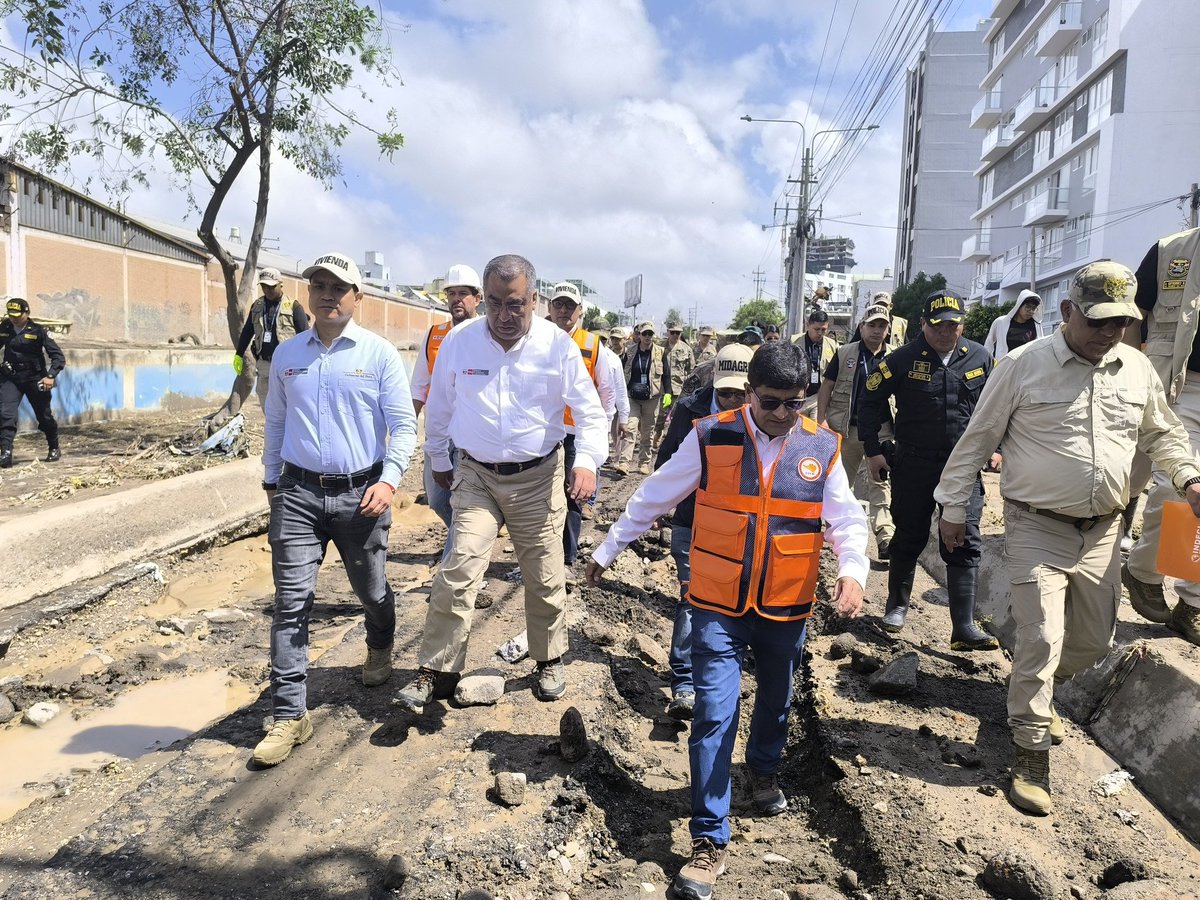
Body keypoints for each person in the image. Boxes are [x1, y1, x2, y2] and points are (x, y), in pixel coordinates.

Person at [585, 341, 867, 900]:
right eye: (772, 403)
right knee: (715, 711)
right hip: (716, 603)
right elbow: (656, 493)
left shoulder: (821, 446)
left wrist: (853, 570)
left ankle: (763, 771)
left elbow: (846, 518)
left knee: (776, 700)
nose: (785, 415)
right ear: (749, 395)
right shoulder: (712, 434)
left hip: (785, 603)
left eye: (796, 403)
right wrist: (607, 550)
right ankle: (709, 837)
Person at [933, 261, 1200, 815]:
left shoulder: (1135, 368)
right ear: (1067, 312)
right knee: (1044, 638)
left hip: (1105, 531)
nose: (1109, 334)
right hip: (1035, 525)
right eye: (1098, 322)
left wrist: (1189, 477)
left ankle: (1037, 687)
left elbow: (1163, 433)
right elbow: (977, 438)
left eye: (1121, 323)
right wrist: (953, 507)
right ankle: (1030, 751)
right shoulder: (1023, 365)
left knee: (1093, 644)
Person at [396, 255, 607, 710]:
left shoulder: (557, 346)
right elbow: (442, 406)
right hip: (476, 475)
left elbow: (591, 414)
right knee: (459, 567)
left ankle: (548, 658)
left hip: (538, 477)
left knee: (544, 573)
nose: (504, 317)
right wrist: (436, 457)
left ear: (535, 300)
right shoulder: (460, 341)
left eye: (515, 306)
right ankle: (437, 669)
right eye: (493, 305)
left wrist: (586, 461)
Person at [254, 251, 417, 767]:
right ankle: (288, 716)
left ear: (357, 297)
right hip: (298, 494)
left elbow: (405, 427)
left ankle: (379, 641)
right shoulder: (287, 355)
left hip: (360, 496)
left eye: (339, 287)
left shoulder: (380, 354)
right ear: (308, 293)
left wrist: (389, 482)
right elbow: (275, 423)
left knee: (370, 589)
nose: (328, 294)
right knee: (291, 603)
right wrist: (272, 482)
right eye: (319, 285)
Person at [857, 289, 999, 651]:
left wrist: (997, 449)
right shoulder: (901, 359)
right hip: (914, 463)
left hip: (962, 467)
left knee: (964, 539)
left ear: (961, 325)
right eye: (937, 326)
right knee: (909, 535)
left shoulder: (981, 357)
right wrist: (874, 452)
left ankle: (964, 626)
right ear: (923, 324)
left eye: (953, 325)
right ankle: (897, 607)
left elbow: (999, 407)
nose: (945, 332)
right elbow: (869, 402)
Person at [653, 343, 755, 721]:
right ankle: (684, 682)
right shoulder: (689, 409)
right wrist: (659, 503)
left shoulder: (762, 417)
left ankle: (719, 674)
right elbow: (667, 460)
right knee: (692, 597)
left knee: (730, 599)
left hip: (740, 524)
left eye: (739, 393)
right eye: (724, 392)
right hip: (692, 520)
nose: (731, 400)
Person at [1122, 227, 1200, 646]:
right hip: (1176, 384)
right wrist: (1133, 373)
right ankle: (1144, 571)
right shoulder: (1171, 251)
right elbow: (1134, 315)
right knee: (1178, 489)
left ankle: (1192, 602)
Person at [410, 264, 482, 568]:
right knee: (438, 499)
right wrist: (405, 424)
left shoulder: (487, 333)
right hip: (440, 434)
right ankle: (476, 534)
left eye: (463, 293)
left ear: (477, 298)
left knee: (463, 503)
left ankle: (451, 561)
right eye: (451, 294)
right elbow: (420, 383)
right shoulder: (435, 334)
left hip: (470, 437)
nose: (456, 300)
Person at [548, 281, 623, 562]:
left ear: (580, 311)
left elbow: (606, 393)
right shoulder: (535, 338)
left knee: (572, 496)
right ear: (549, 307)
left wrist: (599, 433)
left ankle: (566, 558)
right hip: (544, 433)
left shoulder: (592, 345)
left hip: (575, 434)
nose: (564, 310)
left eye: (570, 306)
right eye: (558, 304)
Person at [816, 304, 896, 560]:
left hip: (882, 431)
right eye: (871, 325)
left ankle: (885, 537)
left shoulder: (895, 357)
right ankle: (836, 532)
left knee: (881, 484)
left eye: (881, 325)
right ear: (862, 327)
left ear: (888, 329)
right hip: (848, 430)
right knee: (840, 483)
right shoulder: (845, 353)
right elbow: (827, 387)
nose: (876, 330)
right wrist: (821, 420)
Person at [0, 297, 65, 467]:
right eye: (11, 314)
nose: (14, 318)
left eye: (18, 315)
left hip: (35, 378)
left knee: (44, 416)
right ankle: (6, 452)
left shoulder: (38, 330)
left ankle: (54, 447)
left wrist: (50, 376)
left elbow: (58, 356)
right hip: (11, 378)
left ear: (27, 313)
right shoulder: (5, 327)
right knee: (6, 414)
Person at [233, 267, 309, 409]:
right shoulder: (257, 306)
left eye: (271, 286)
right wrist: (239, 353)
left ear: (281, 284)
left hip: (288, 365)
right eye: (263, 286)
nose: (267, 290)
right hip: (264, 365)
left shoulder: (294, 306)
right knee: (267, 406)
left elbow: (305, 337)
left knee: (288, 406)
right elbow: (247, 331)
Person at [619, 321, 672, 475]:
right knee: (630, 427)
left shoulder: (661, 352)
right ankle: (624, 462)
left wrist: (668, 392)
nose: (648, 337)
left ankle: (644, 462)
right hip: (633, 397)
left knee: (647, 431)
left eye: (650, 334)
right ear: (639, 335)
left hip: (652, 397)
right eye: (644, 334)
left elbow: (667, 375)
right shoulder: (629, 352)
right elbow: (622, 374)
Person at [655, 323, 694, 447]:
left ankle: (669, 439)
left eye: (678, 333)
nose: (675, 335)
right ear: (668, 332)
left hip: (679, 388)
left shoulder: (686, 349)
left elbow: (691, 369)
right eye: (673, 332)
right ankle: (658, 433)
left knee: (675, 416)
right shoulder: (659, 347)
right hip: (662, 388)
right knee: (660, 415)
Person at [796, 310, 837, 417]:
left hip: (819, 397)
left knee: (816, 430)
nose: (820, 333)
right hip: (798, 395)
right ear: (807, 325)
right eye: (816, 329)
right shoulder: (794, 342)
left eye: (823, 330)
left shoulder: (833, 346)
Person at [984, 289, 1042, 359]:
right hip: (1004, 365)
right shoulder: (1001, 322)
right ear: (1019, 305)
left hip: (1026, 366)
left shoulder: (1036, 326)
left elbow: (1040, 347)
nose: (1031, 311)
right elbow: (988, 344)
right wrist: (988, 364)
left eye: (1034, 308)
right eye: (1028, 307)